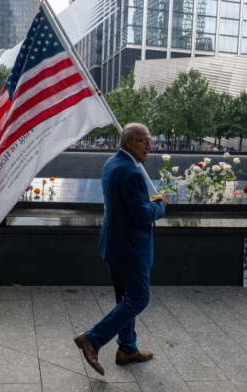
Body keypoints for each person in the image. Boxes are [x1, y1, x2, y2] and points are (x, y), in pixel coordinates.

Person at [74, 123, 167, 376]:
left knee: (124, 298)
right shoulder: (132, 172)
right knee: (138, 298)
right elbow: (141, 216)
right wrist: (160, 205)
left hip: (114, 244)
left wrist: (149, 202)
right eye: (144, 141)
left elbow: (127, 206)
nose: (150, 147)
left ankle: (127, 348)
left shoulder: (112, 164)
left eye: (150, 141)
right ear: (128, 142)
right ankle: (92, 339)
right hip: (130, 248)